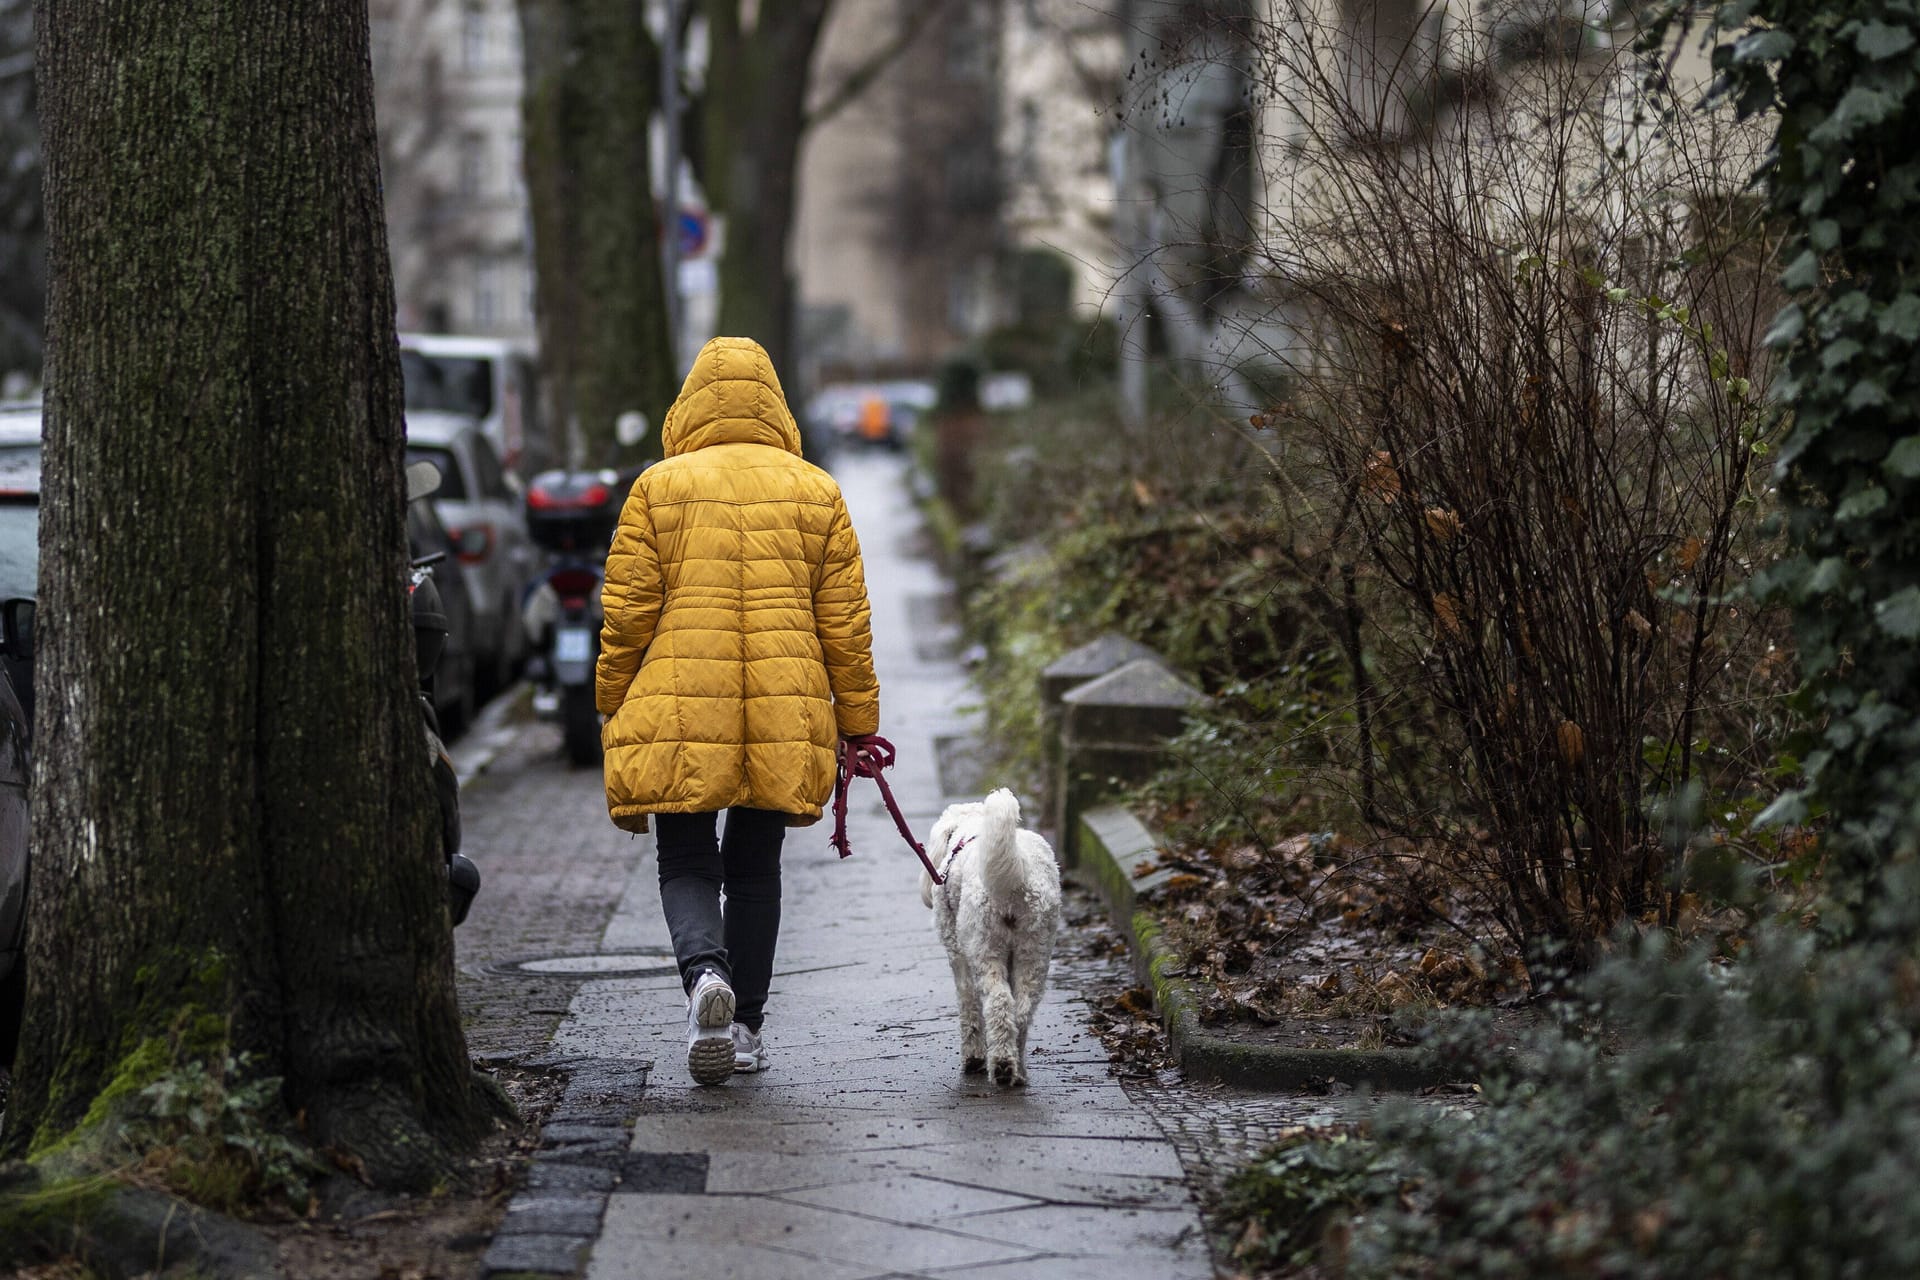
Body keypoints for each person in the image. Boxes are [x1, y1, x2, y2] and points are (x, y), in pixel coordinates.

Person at [595, 336, 880, 1085]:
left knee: (684, 858)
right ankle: (746, 1027)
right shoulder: (816, 491)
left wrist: (610, 698)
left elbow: (627, 614)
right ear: (775, 405)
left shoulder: (657, 488)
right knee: (756, 868)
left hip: (680, 705)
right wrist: (859, 722)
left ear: (689, 405)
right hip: (787, 711)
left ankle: (704, 979)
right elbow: (844, 623)